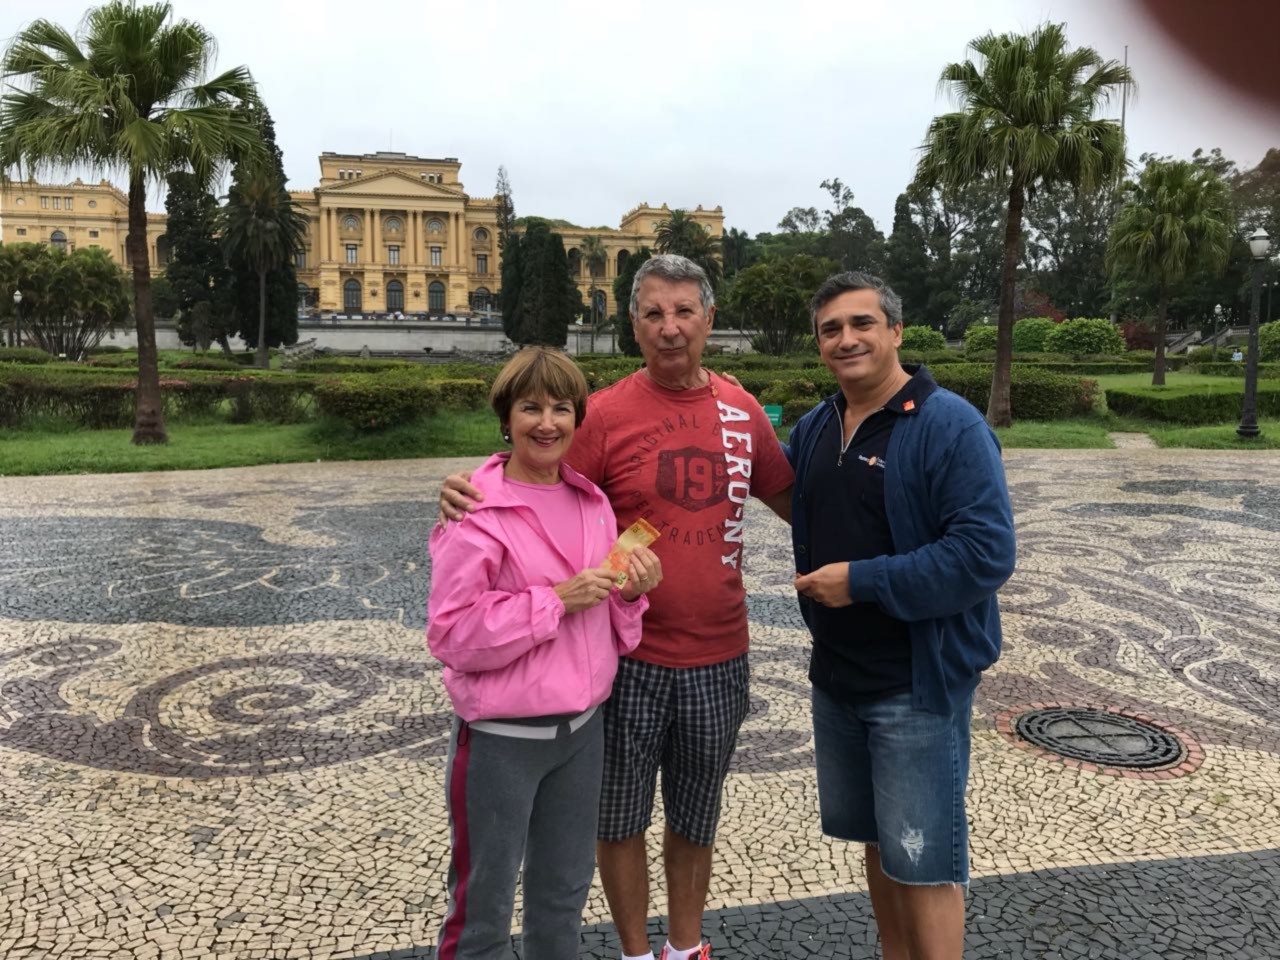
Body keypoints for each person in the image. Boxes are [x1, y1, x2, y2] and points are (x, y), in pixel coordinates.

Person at [440, 255, 794, 960]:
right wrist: (469, 487)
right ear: (633, 324)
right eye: (654, 313)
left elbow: (795, 503)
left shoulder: (742, 410)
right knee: (617, 821)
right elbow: (537, 477)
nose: (670, 328)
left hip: (720, 652)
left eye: (684, 312)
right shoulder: (603, 414)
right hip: (627, 663)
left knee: (695, 819)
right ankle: (635, 952)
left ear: (709, 319)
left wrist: (880, 553)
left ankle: (685, 949)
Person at [786, 272, 1016, 960]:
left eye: (862, 323)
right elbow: (761, 479)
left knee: (925, 862)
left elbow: (985, 553)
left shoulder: (950, 426)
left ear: (896, 331)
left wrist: (861, 582)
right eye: (831, 329)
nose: (846, 339)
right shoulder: (816, 426)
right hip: (838, 678)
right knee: (882, 847)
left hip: (916, 683)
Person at [428, 346, 663, 960]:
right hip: (500, 740)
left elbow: (612, 624)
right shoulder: (475, 508)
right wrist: (554, 600)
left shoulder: (592, 502)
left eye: (562, 408)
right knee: (481, 909)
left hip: (582, 734)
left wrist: (630, 595)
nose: (547, 423)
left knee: (562, 901)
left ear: (578, 419)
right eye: (530, 408)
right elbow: (452, 635)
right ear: (506, 418)